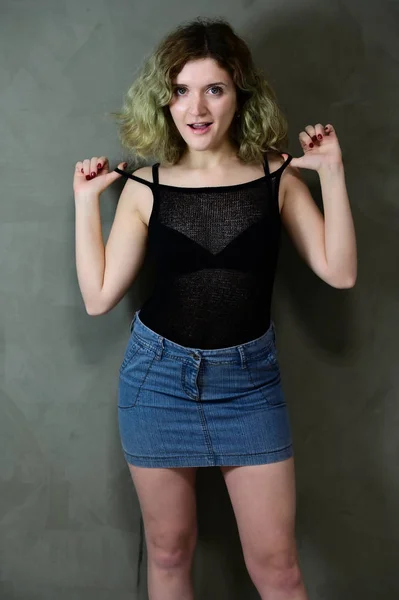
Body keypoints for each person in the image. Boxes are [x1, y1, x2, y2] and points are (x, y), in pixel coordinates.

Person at [73, 17, 356, 600]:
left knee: (279, 569)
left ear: (239, 95)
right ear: (164, 100)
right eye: (180, 90)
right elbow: (99, 298)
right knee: (170, 553)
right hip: (158, 382)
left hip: (251, 386)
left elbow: (341, 271)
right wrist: (83, 205)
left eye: (214, 89)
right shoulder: (143, 185)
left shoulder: (276, 176)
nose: (196, 107)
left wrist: (332, 173)